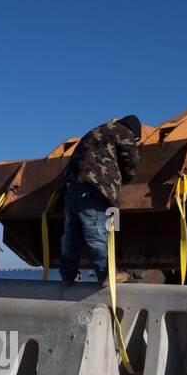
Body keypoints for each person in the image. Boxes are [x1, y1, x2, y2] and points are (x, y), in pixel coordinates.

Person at [59, 114, 142, 288]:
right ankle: (106, 274)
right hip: (95, 189)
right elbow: (131, 160)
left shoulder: (95, 131)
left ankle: (68, 275)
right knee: (96, 233)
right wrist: (127, 178)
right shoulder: (124, 132)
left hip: (73, 188)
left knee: (71, 236)